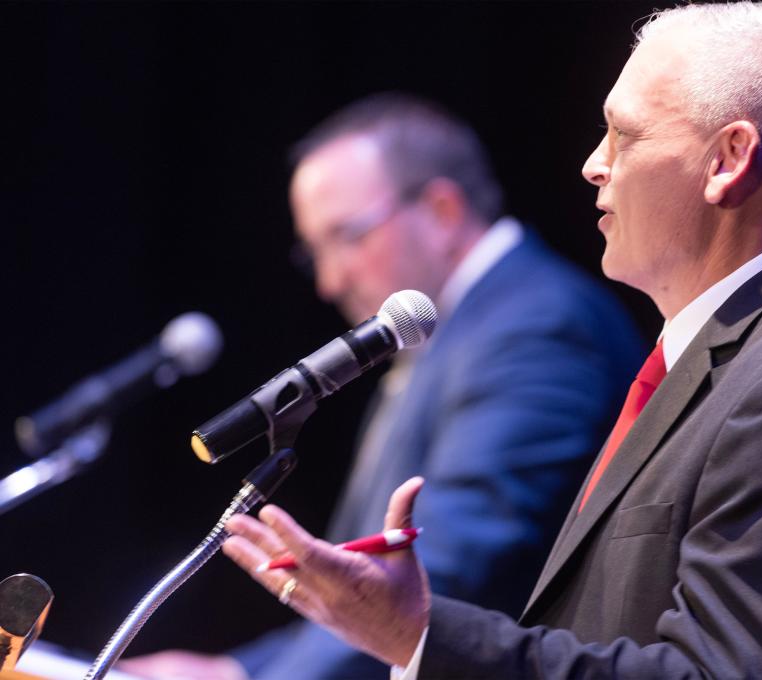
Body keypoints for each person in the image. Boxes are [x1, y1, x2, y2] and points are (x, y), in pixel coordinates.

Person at [220, 4, 762, 679]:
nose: (593, 164)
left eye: (623, 135)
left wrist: (417, 631)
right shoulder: (726, 358)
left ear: (728, 160)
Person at [123, 94, 644, 679]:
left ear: (442, 210)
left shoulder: (536, 327)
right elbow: (368, 592)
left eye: (346, 236)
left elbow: (446, 572)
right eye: (314, 250)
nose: (328, 280)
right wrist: (234, 670)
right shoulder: (452, 330)